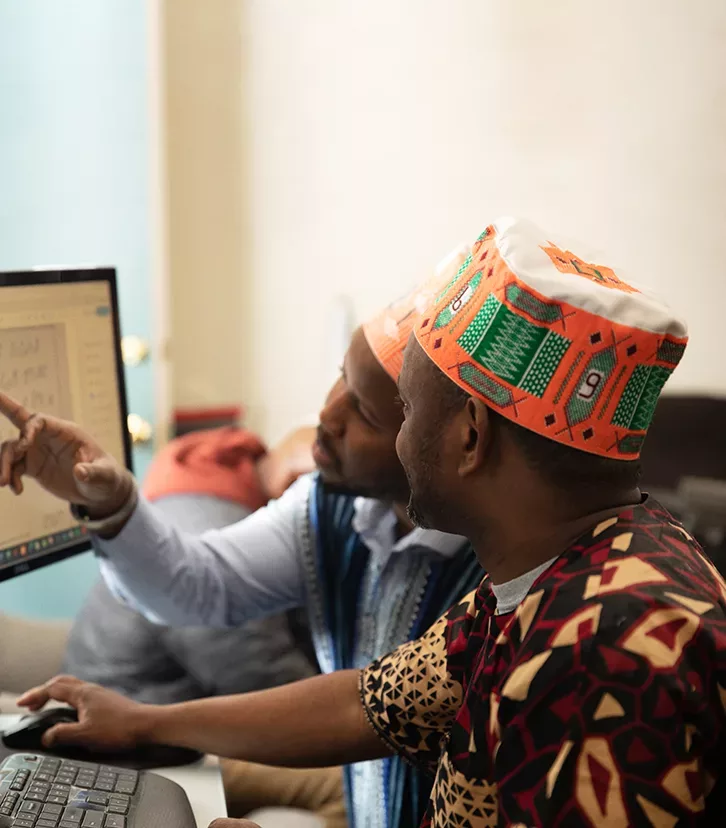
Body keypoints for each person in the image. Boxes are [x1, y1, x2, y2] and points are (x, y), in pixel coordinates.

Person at [10, 217, 726, 828]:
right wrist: (146, 721)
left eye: (407, 411)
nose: (327, 422)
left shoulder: (606, 656)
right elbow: (369, 702)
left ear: (470, 437)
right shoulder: (557, 574)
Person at [0, 247, 485, 828]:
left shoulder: (497, 579)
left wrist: (147, 721)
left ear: (457, 442)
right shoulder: (333, 507)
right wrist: (109, 503)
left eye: (366, 414)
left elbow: (358, 710)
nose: (326, 416)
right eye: (339, 380)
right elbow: (196, 587)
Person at [64, 424, 319, 705]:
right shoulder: (215, 522)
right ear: (296, 481)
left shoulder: (216, 475)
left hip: (140, 689)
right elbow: (249, 667)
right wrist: (338, 717)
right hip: (122, 707)